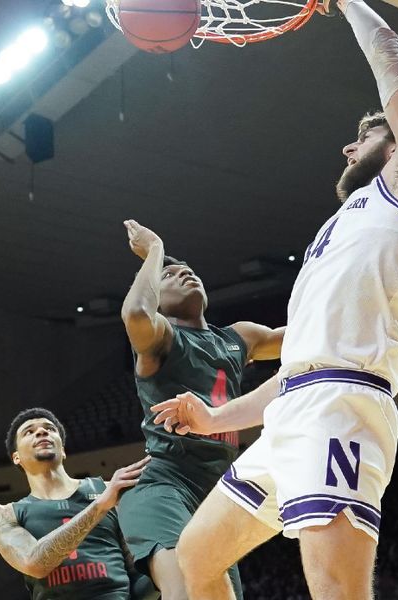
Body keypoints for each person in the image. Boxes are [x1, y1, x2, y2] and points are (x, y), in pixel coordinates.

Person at [150, 0, 398, 597]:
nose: (347, 149)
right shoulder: (339, 226)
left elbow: (391, 54)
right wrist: (216, 419)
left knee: (336, 591)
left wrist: (350, 5)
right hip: (297, 406)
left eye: (363, 136)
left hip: (344, 405)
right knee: (197, 558)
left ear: (397, 144)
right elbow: (296, 369)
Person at [119, 220, 286, 600]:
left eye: (189, 272)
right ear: (155, 297)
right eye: (171, 275)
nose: (185, 274)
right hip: (166, 484)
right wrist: (155, 249)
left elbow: (310, 336)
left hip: (220, 490)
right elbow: (136, 316)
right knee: (187, 589)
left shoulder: (238, 336)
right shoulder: (161, 337)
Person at [0, 407, 158, 600]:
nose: (41, 432)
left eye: (49, 429)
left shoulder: (109, 491)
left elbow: (136, 569)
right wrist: (99, 506)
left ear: (63, 450)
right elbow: (34, 563)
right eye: (29, 432)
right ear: (16, 457)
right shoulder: (4, 514)